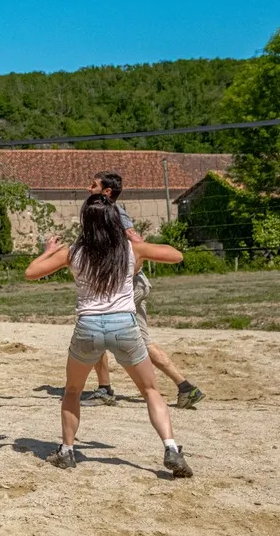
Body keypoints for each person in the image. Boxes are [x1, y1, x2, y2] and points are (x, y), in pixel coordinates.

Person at [25, 194, 193, 477]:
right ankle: (171, 448)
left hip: (88, 327)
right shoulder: (129, 249)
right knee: (151, 390)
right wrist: (138, 241)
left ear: (84, 221)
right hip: (124, 326)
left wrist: (47, 250)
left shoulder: (73, 252)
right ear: (115, 220)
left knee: (72, 392)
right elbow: (177, 255)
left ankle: (67, 451)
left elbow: (30, 273)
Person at [82, 172, 206, 409]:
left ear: (107, 192)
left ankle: (105, 390)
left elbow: (136, 241)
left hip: (130, 286)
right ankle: (185, 387)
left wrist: (128, 273)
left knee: (96, 329)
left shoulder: (114, 213)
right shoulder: (101, 214)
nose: (88, 188)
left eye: (93, 185)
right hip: (131, 285)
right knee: (139, 340)